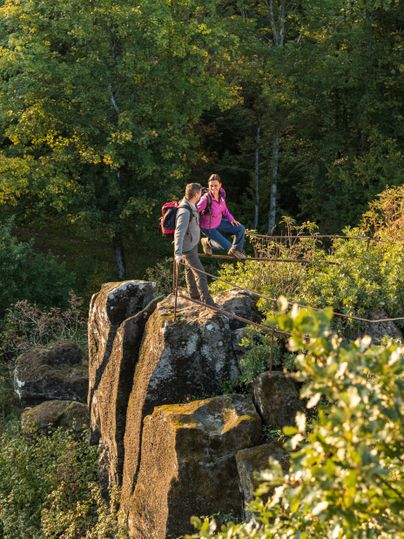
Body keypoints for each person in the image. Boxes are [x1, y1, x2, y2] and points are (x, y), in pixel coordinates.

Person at [174, 182, 215, 306]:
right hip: (188, 248)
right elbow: (179, 233)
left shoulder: (191, 204)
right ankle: (207, 301)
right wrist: (178, 253)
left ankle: (193, 294)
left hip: (192, 243)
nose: (202, 194)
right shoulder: (184, 211)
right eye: (200, 193)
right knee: (201, 274)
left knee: (189, 269)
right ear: (196, 194)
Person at [197, 173, 246, 260]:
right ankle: (207, 242)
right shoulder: (205, 199)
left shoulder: (221, 196)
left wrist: (232, 219)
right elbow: (195, 210)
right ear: (208, 186)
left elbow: (225, 211)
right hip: (208, 228)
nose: (213, 188)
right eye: (211, 186)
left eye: (215, 185)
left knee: (241, 228)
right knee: (228, 246)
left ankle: (237, 251)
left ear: (220, 185)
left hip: (218, 222)